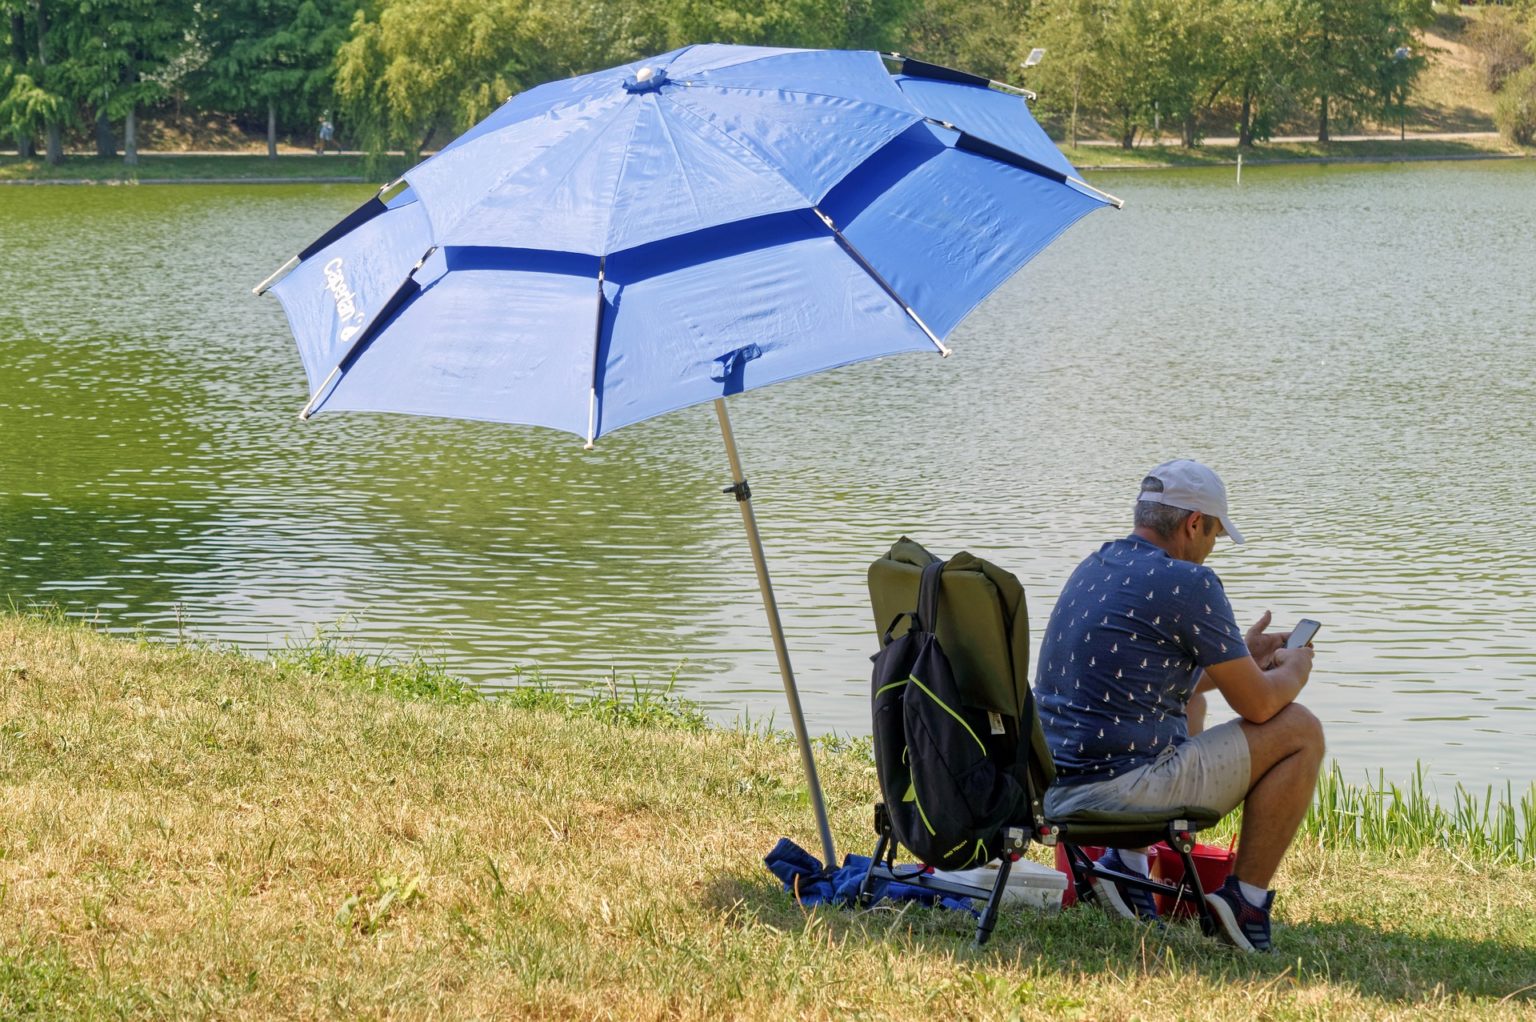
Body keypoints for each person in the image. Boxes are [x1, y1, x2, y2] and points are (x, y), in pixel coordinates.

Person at [1034, 459, 1322, 952]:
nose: (1212, 551)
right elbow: (1259, 706)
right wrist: (1295, 666)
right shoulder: (1191, 584)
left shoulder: (1097, 563)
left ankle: (1124, 870)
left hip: (1055, 784)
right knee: (1299, 729)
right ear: (1193, 524)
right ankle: (1245, 901)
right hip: (1116, 793)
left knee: (1189, 705)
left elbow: (1149, 677)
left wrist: (1243, 657)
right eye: (1213, 536)